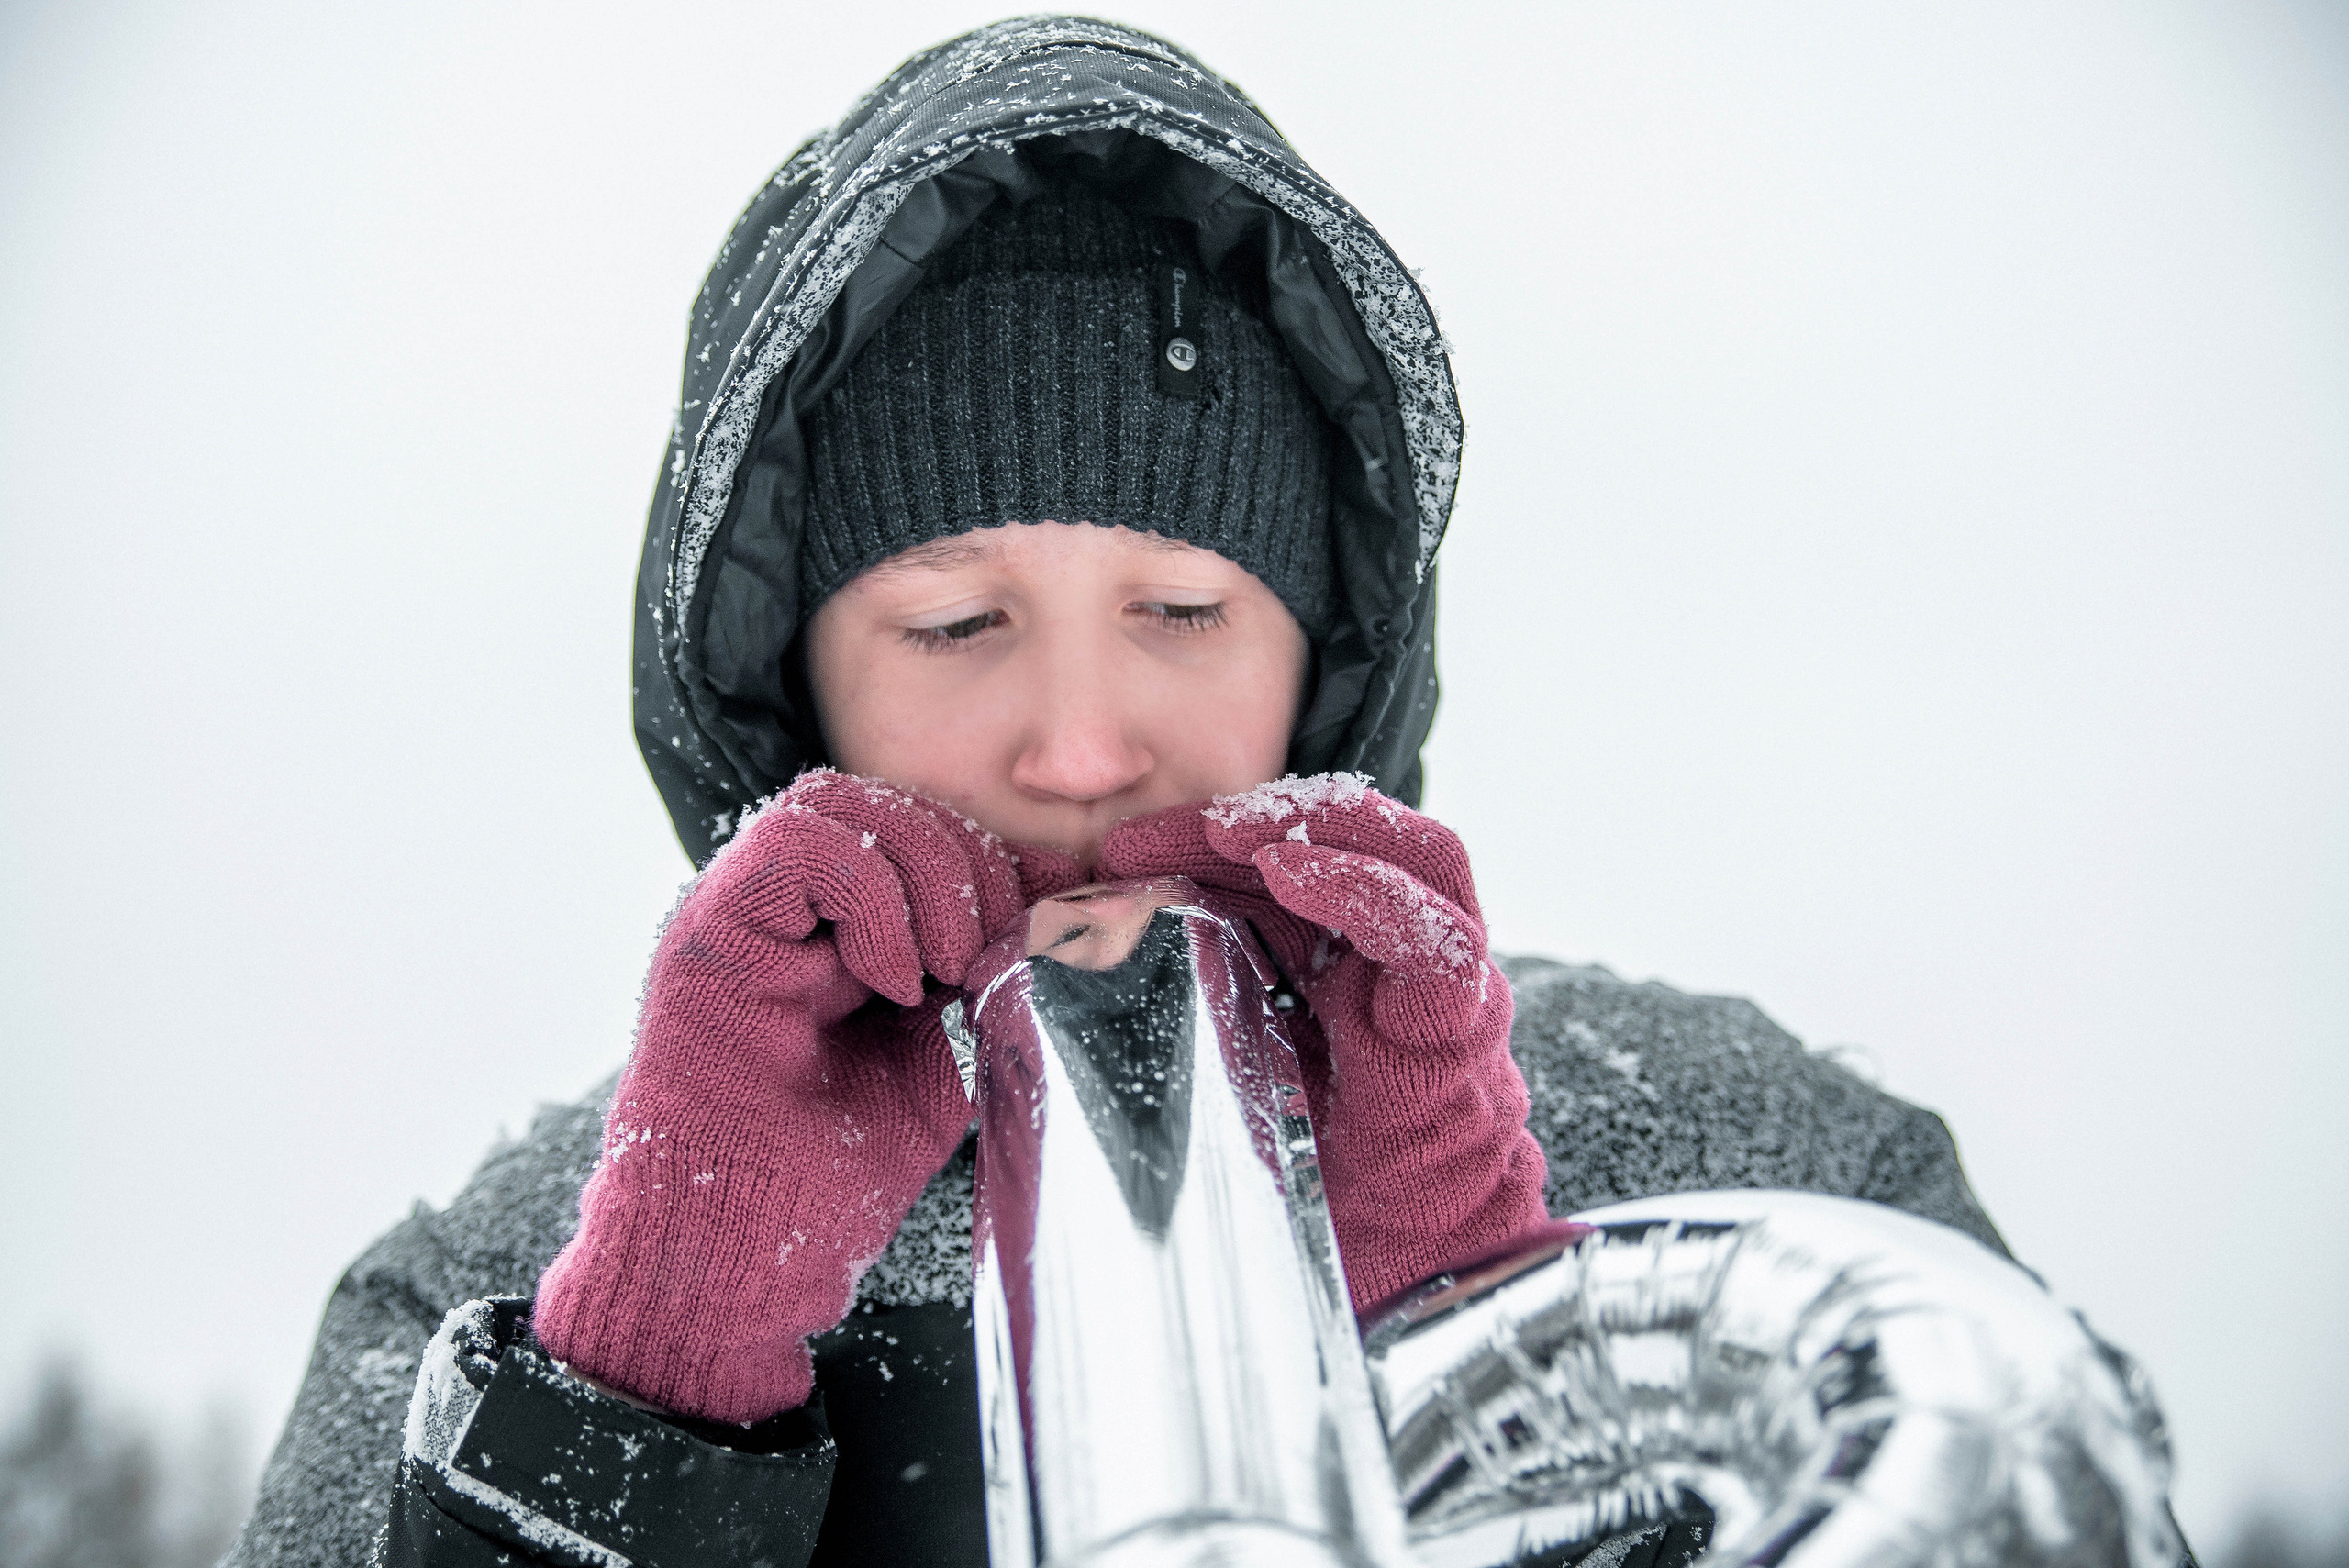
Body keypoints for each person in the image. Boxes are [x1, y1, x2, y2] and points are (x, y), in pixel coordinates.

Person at [222, 18, 2006, 1568]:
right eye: (952, 622)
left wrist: (1489, 1358)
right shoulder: (489, 1291)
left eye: (1178, 610)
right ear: (795, 681)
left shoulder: (1756, 1163)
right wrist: (648, 1374)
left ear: (1323, 653)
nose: (1078, 746)